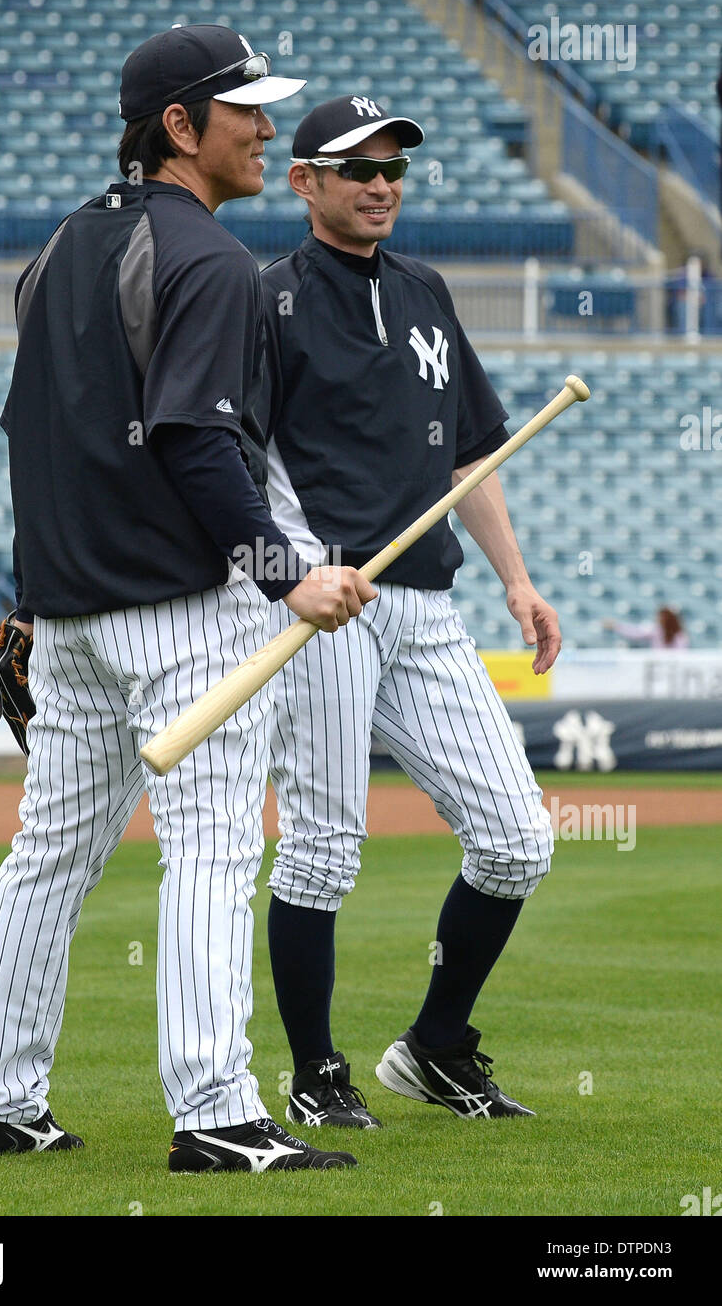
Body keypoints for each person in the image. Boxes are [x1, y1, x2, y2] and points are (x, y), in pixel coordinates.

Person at [0, 27, 375, 1173]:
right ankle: (218, 1112)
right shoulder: (214, 262)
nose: (261, 128)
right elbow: (197, 439)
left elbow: (30, 433)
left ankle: (2, 1100)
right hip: (183, 612)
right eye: (241, 108)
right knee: (210, 848)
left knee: (48, 852)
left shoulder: (58, 246)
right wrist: (292, 572)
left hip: (73, 617)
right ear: (179, 128)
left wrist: (38, 598)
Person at [260, 95, 561, 1129]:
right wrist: (290, 572)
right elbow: (229, 461)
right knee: (323, 848)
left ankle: (435, 1046)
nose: (381, 183)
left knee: (518, 837)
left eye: (393, 168)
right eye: (357, 169)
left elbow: (469, 452)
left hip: (427, 604)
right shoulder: (266, 301)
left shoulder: (429, 290)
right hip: (325, 607)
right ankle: (313, 1069)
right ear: (304, 183)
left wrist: (516, 579)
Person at [603, 607, 688, 649]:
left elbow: (681, 653)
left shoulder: (680, 635)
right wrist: (617, 626)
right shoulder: (656, 629)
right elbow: (636, 632)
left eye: (662, 617)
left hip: (674, 668)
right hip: (658, 666)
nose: (658, 619)